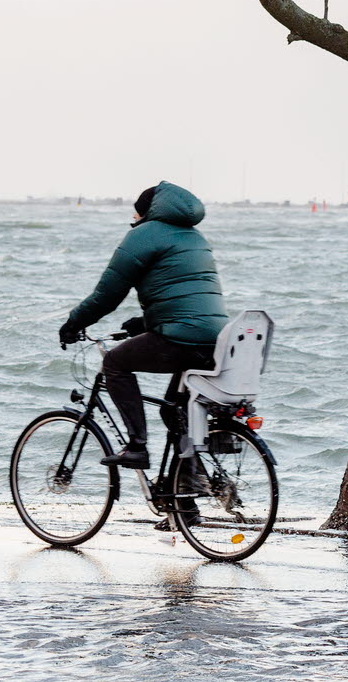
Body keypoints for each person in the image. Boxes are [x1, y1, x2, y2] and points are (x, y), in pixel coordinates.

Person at [59, 182, 227, 470]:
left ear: (145, 212)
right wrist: (145, 323)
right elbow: (184, 294)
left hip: (181, 337)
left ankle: (136, 447)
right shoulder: (195, 237)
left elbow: (107, 295)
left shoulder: (144, 235)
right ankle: (186, 501)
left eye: (135, 215)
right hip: (218, 340)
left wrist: (73, 324)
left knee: (114, 363)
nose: (133, 221)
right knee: (175, 412)